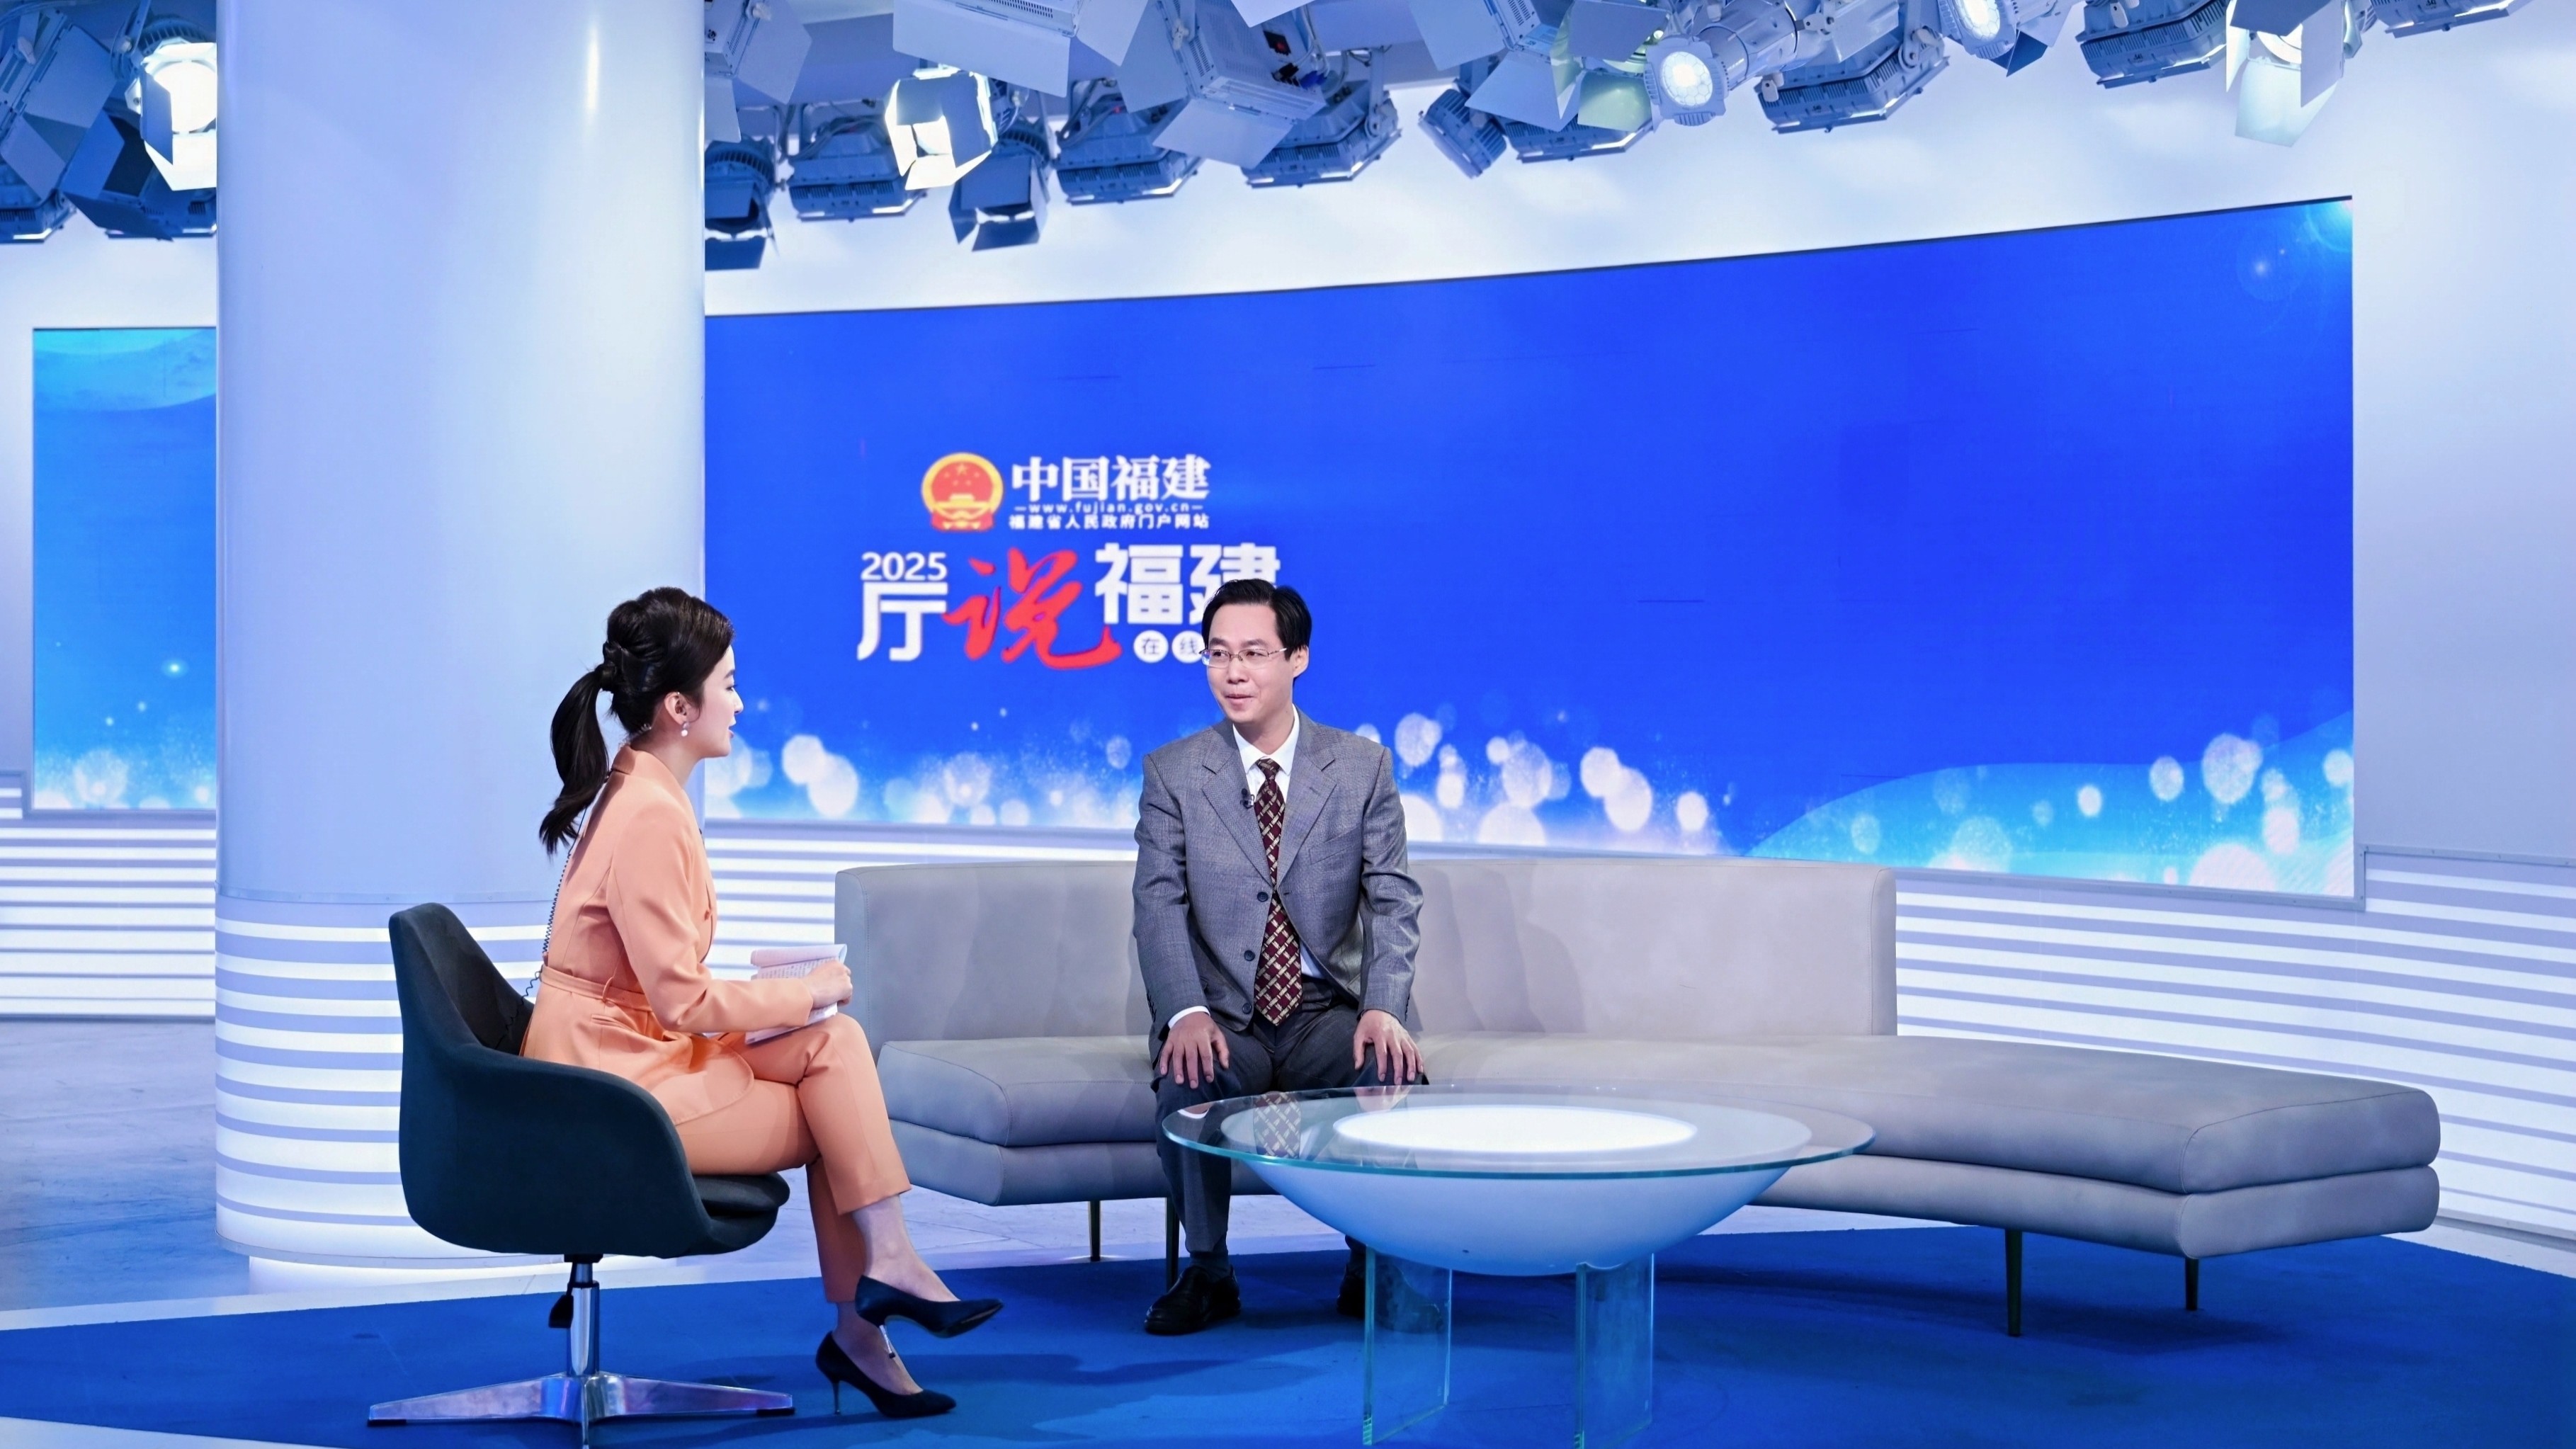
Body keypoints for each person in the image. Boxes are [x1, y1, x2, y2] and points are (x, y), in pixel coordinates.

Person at [520, 586, 999, 1420]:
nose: (740, 705)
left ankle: (882, 1281)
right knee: (833, 1111)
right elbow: (679, 999)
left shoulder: (641, 789)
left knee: (835, 1046)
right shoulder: (647, 815)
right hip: (612, 1089)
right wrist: (800, 989)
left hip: (627, 1053)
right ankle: (869, 1313)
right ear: (679, 708)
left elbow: (661, 987)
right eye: (729, 686)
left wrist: (798, 999)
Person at [1133, 578, 1426, 1336]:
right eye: (1218, 654)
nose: (1233, 673)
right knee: (1186, 1076)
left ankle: (1372, 1261)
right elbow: (1157, 905)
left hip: (1325, 1010)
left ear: (1297, 659)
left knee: (1388, 1066)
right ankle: (1209, 1271)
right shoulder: (1173, 773)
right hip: (1224, 1014)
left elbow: (1393, 898)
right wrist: (1184, 1012)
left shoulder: (1360, 767)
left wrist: (1384, 1006)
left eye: (1254, 654)